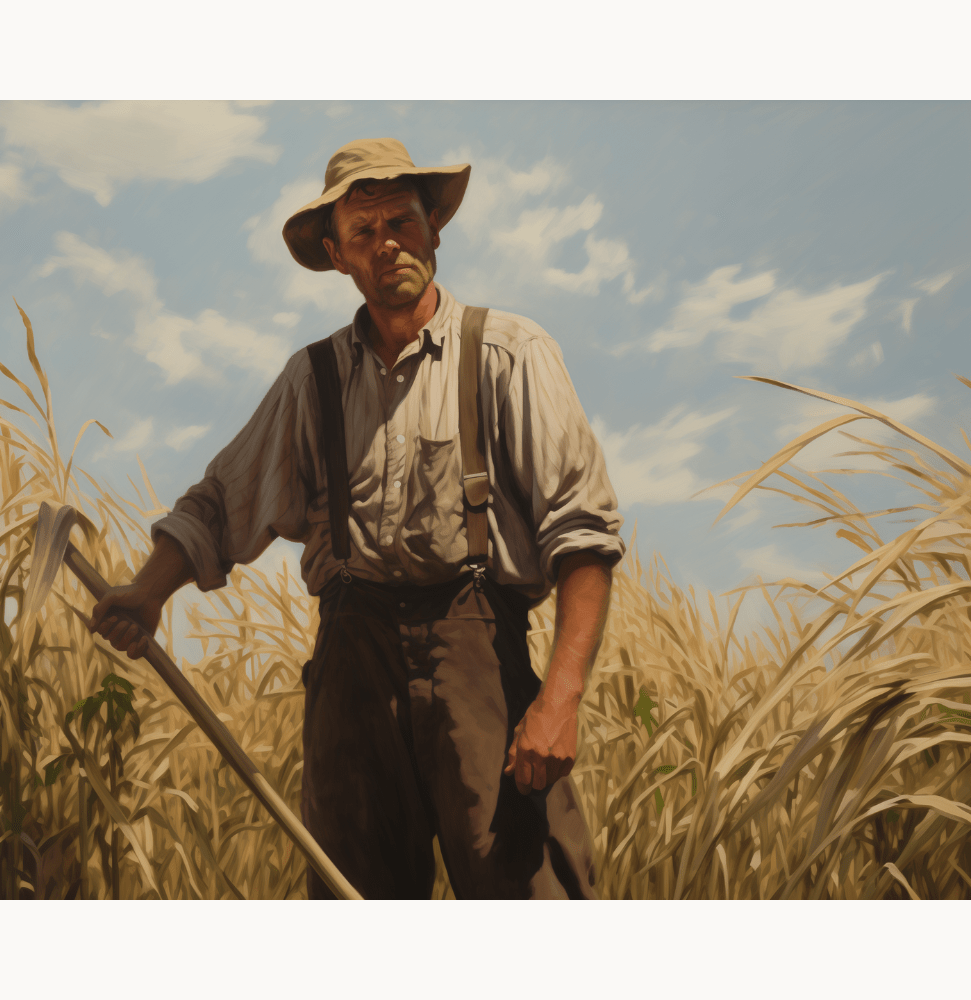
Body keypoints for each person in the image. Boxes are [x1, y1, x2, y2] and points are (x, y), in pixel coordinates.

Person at [89, 137, 626, 899]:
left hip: (477, 661)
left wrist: (560, 700)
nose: (389, 246)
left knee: (528, 897)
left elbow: (584, 540)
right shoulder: (312, 381)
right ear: (338, 255)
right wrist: (148, 592)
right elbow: (220, 502)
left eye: (402, 223)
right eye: (365, 234)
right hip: (352, 669)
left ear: (434, 228)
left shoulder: (509, 355)